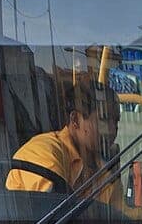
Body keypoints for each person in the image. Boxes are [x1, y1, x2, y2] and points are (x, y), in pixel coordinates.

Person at [6, 73, 123, 205]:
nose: (113, 130)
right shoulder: (43, 152)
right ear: (75, 120)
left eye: (116, 121)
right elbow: (51, 213)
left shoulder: (105, 173)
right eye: (104, 120)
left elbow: (121, 219)